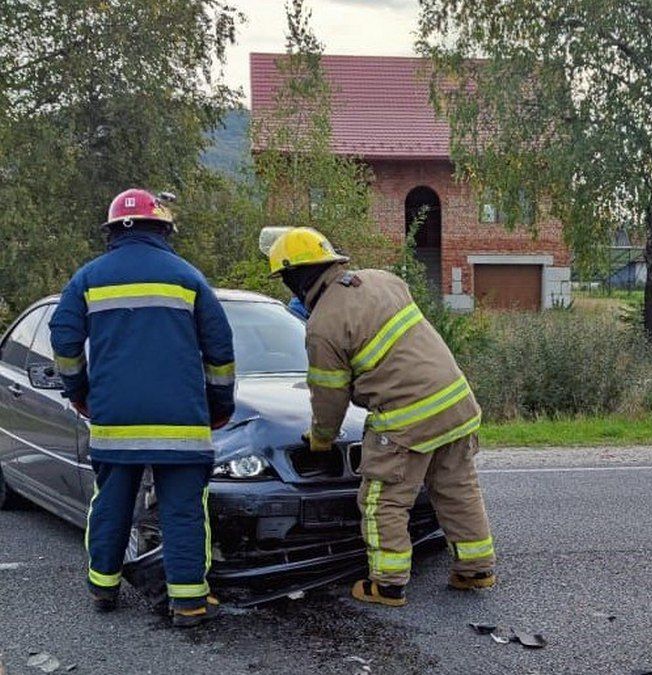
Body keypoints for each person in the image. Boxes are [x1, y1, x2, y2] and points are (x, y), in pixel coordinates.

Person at [266, 227, 494, 607]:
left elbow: (329, 398)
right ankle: (476, 569)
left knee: (382, 500)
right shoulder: (383, 280)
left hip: (408, 417)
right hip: (456, 403)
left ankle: (387, 585)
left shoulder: (322, 325)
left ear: (295, 277)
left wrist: (321, 439)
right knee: (457, 489)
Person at [49, 189, 235, 627]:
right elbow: (220, 351)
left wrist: (80, 392)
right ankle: (188, 603)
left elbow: (64, 341)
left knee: (111, 503)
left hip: (115, 421)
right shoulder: (188, 277)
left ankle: (103, 588)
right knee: (183, 510)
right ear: (164, 229)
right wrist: (219, 405)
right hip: (182, 424)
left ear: (113, 232)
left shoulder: (88, 278)